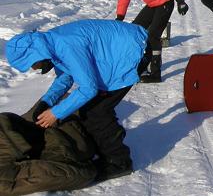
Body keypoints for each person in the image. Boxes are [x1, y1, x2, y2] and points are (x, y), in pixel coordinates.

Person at [5, 19, 148, 182]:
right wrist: (46, 102)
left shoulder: (65, 46)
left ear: (37, 54)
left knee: (97, 111)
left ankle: (119, 162)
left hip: (132, 52)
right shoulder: (51, 44)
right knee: (92, 107)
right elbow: (66, 77)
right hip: (118, 49)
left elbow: (89, 89)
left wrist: (55, 113)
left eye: (32, 64)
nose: (33, 69)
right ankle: (107, 142)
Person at [116, 0, 189, 83]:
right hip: (152, 4)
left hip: (165, 2)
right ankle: (137, 67)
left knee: (153, 35)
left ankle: (155, 73)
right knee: (134, 31)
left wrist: (180, 0)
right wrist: (120, 16)